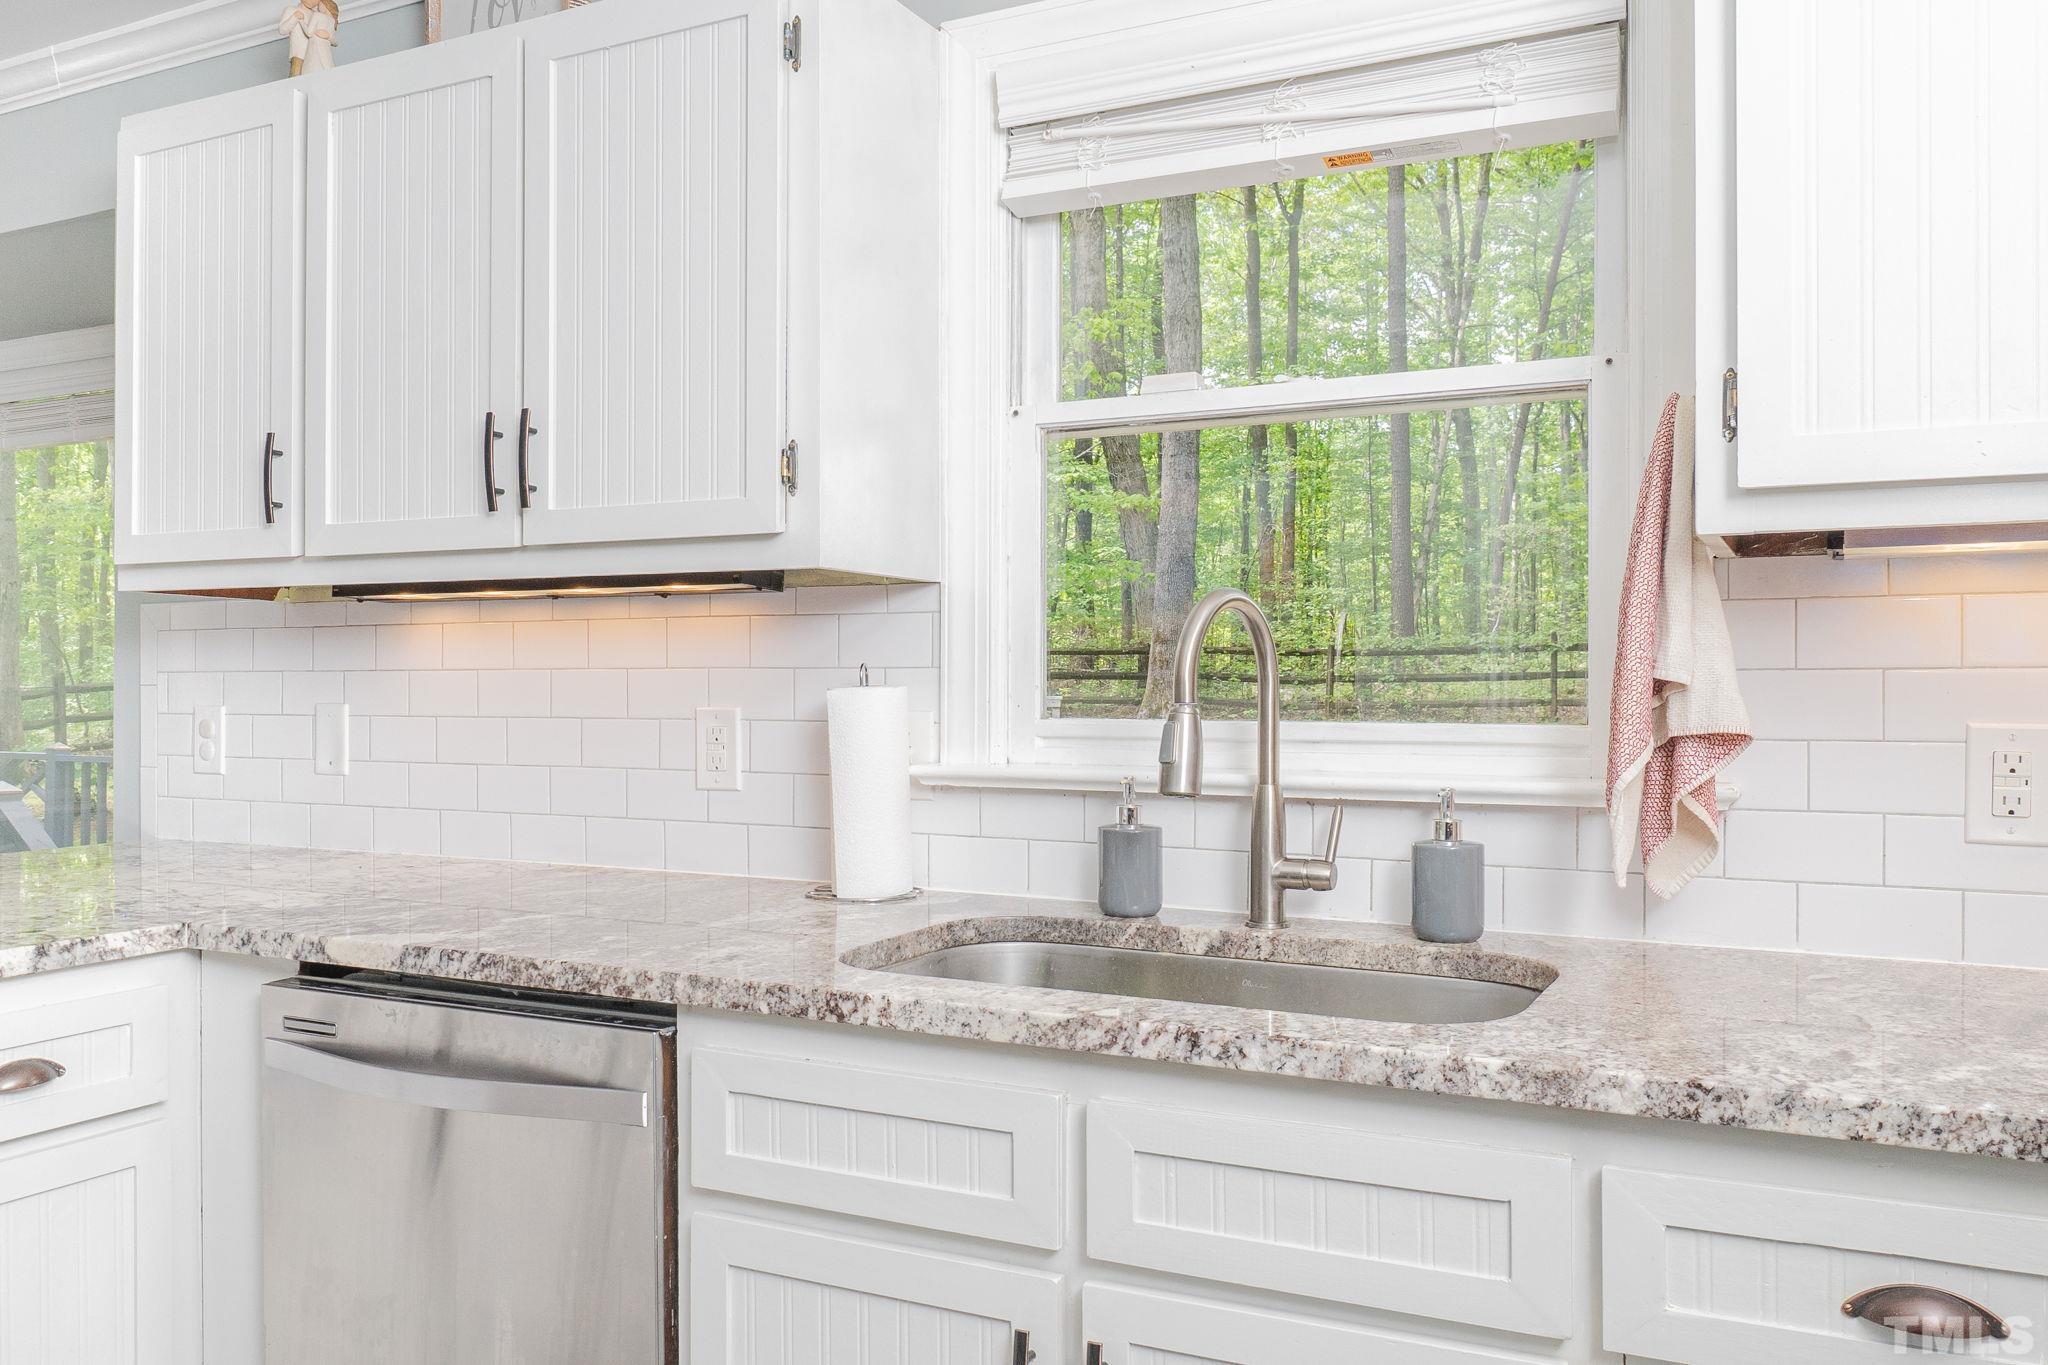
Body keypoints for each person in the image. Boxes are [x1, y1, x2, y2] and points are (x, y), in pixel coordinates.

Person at [279, 0, 339, 76]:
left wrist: (328, 37)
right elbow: (282, 30)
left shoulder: (316, 14)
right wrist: (294, 17)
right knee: (296, 80)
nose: (315, 2)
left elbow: (332, 39)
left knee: (318, 78)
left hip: (314, 53)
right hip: (300, 54)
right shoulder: (291, 10)